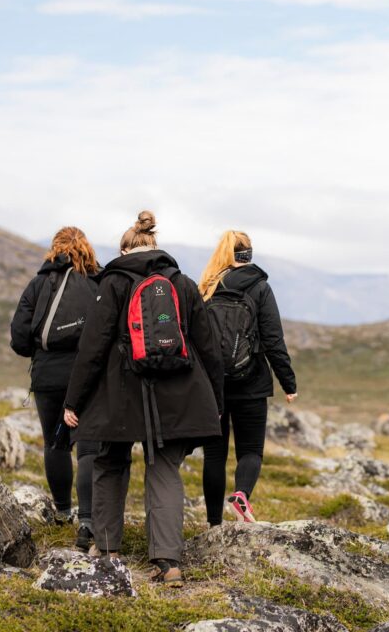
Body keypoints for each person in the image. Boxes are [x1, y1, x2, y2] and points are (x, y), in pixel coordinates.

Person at [63, 210, 223, 583]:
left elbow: (93, 347)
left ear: (124, 249)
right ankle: (168, 563)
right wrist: (215, 400)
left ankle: (107, 549)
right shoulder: (182, 283)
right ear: (155, 244)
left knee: (109, 462)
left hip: (119, 393)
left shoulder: (113, 282)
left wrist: (74, 401)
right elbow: (209, 346)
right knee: (164, 468)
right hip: (176, 391)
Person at [9, 227, 102, 550]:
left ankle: (63, 512)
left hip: (48, 377)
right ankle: (87, 522)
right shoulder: (97, 283)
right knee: (88, 448)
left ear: (55, 249)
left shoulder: (39, 284)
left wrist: (41, 353)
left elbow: (19, 338)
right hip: (87, 376)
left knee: (56, 443)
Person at [199, 230, 297, 525]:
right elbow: (273, 340)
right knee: (251, 450)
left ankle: (214, 524)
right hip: (251, 383)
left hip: (213, 385)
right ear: (249, 254)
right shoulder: (260, 288)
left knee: (214, 456)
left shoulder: (208, 286)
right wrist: (288, 383)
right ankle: (241, 494)